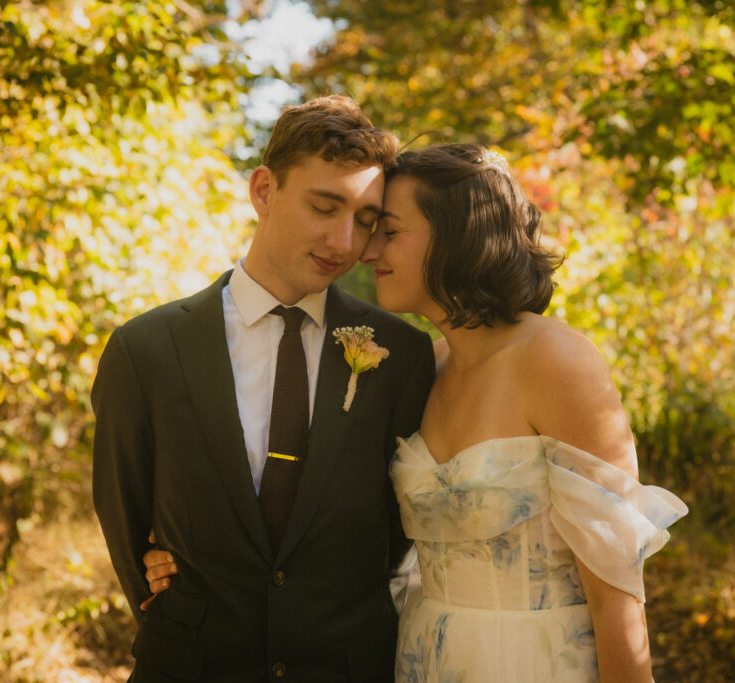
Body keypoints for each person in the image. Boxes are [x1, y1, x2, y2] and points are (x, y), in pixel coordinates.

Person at [145, 143, 688, 682]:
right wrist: (181, 552)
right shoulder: (425, 366)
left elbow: (617, 585)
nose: (367, 250)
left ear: (457, 236)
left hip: (532, 661)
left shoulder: (557, 360)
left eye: (389, 231)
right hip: (422, 657)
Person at [91, 95, 435, 682]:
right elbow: (122, 512)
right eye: (325, 207)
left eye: (366, 220)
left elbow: (403, 533)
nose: (344, 242)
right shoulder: (145, 349)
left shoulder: (401, 353)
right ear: (264, 191)